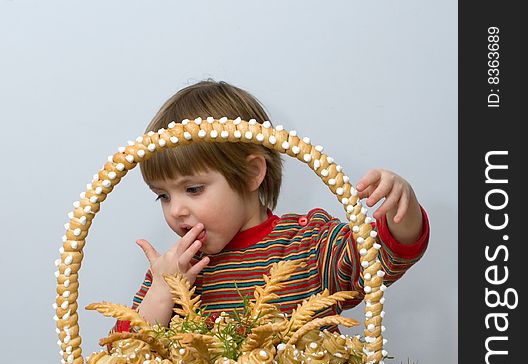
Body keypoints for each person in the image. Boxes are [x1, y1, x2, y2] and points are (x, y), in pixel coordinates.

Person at [115, 79, 429, 333]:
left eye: (193, 189)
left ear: (252, 173)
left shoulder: (308, 245)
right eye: (163, 196)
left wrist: (404, 211)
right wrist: (161, 292)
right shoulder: (174, 269)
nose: (176, 210)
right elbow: (122, 360)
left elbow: (382, 262)